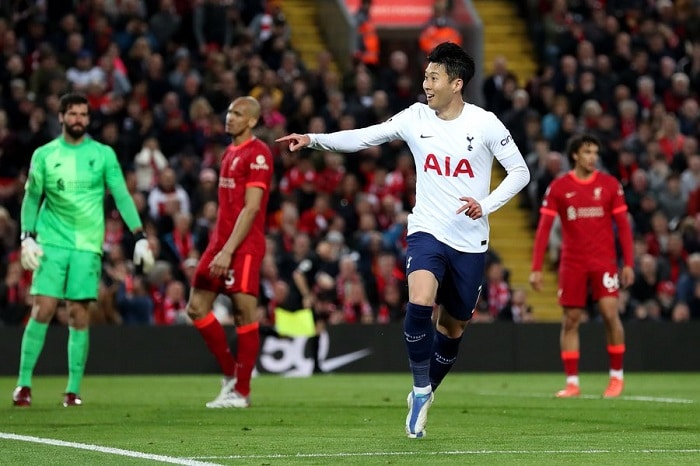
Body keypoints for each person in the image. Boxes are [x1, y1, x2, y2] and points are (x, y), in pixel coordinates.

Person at [276, 42, 530, 438]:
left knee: (453, 327)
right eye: (426, 76)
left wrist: (486, 203)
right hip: (427, 229)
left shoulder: (486, 124)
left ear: (456, 83)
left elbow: (519, 172)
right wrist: (313, 138)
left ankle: (425, 392)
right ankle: (419, 385)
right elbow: (365, 137)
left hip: (470, 239)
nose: (425, 83)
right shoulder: (415, 117)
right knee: (419, 300)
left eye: (433, 77)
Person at [13, 92, 154, 407]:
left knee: (79, 314)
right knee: (44, 308)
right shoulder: (45, 155)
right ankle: (23, 385)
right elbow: (32, 198)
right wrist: (27, 236)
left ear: (88, 119)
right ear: (61, 117)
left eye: (83, 115)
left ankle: (73, 389)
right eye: (72, 114)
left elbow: (121, 194)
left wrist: (140, 235)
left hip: (88, 246)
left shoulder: (103, 154)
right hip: (51, 242)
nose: (78, 119)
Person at [529, 133, 635, 399]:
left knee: (610, 314)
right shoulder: (559, 187)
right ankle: (573, 383)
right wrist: (536, 267)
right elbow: (543, 229)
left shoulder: (610, 185)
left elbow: (623, 227)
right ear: (575, 155)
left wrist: (629, 263)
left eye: (595, 153)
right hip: (572, 262)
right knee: (571, 320)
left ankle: (616, 378)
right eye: (587, 152)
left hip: (604, 261)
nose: (593, 157)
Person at [185, 96, 273, 409]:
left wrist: (228, 251)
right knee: (196, 307)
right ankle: (230, 376)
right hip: (218, 243)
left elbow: (251, 209)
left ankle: (242, 392)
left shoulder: (258, 153)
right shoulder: (229, 152)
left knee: (243, 314)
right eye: (228, 111)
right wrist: (218, 248)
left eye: (237, 113)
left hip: (243, 246)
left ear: (251, 121)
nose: (229, 117)